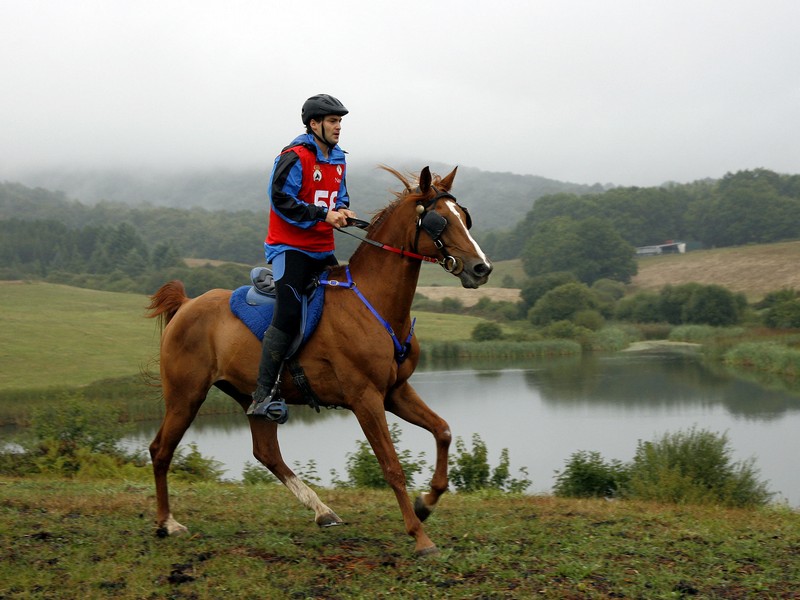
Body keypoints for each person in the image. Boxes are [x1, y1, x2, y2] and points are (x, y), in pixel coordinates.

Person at [247, 94, 356, 422]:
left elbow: (341, 195)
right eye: (333, 121)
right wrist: (325, 215)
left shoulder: (338, 159)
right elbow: (280, 199)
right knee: (290, 312)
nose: (339, 127)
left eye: (340, 121)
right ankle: (262, 394)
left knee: (347, 303)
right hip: (289, 248)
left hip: (322, 249)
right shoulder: (295, 156)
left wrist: (343, 210)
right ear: (314, 124)